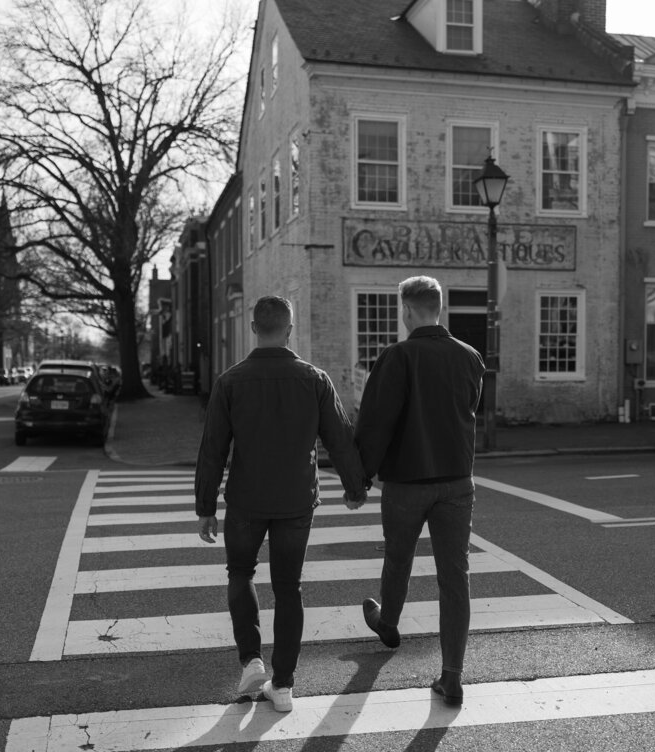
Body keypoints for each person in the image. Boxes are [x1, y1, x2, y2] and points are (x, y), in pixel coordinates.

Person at [195, 296, 368, 713]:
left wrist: (205, 507)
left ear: (253, 328)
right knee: (289, 587)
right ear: (290, 330)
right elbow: (340, 438)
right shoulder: (314, 379)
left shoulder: (230, 382)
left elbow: (212, 449)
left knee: (240, 572)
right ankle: (285, 684)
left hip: (245, 500)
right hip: (296, 501)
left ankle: (251, 661)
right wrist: (355, 487)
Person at [355, 276, 485, 707]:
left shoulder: (397, 356)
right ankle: (451, 676)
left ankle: (388, 623)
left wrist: (359, 478)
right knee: (455, 578)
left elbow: (376, 423)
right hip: (456, 481)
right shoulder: (470, 358)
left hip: (408, 481)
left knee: (399, 556)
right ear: (439, 308)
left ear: (406, 310)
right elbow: (466, 412)